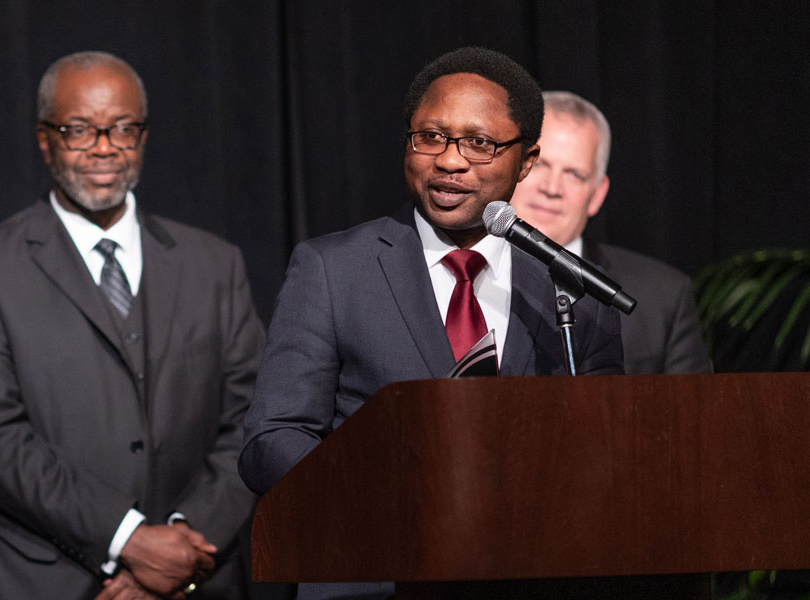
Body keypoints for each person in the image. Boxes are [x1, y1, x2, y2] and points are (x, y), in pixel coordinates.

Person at [239, 47, 623, 599]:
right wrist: (390, 499)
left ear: (527, 161)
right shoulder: (333, 269)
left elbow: (609, 458)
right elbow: (272, 441)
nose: (449, 161)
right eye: (431, 136)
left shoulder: (571, 294)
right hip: (372, 576)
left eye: (480, 144)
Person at [0, 51, 265, 600]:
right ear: (44, 139)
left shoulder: (215, 263)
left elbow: (253, 420)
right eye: (79, 130)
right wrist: (131, 540)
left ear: (143, 135)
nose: (104, 147)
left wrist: (179, 551)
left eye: (122, 129)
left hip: (197, 579)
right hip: (39, 580)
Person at [511, 91, 712, 374]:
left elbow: (693, 414)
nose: (552, 188)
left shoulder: (662, 298)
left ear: (597, 194)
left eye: (574, 175)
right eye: (539, 164)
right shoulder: (458, 275)